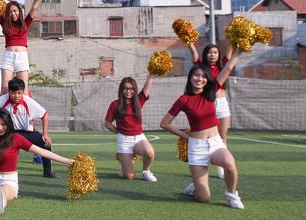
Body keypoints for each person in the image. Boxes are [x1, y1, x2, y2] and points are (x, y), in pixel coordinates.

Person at [0, 99, 75, 214]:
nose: (0, 128)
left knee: (4, 195)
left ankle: (0, 202)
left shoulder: (16, 138)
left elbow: (42, 152)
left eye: (3, 124)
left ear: (9, 124)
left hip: (9, 180)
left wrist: (68, 161)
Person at [160, 51, 245, 209]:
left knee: (229, 163)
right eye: (196, 75)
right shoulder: (183, 100)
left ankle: (231, 195)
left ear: (207, 80)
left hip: (215, 143)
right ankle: (196, 187)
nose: (200, 79)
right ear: (190, 77)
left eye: (203, 76)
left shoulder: (211, 91)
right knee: (204, 198)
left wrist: (238, 51)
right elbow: (165, 123)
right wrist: (186, 136)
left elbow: (228, 68)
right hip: (197, 148)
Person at [0, 78, 57, 179]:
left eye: (19, 93)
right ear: (9, 92)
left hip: (26, 133)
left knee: (45, 143)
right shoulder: (3, 99)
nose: (16, 96)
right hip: (8, 133)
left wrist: (45, 134)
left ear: (23, 92)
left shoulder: (29, 101)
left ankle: (48, 171)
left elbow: (44, 115)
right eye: (13, 93)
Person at [188, 41, 234, 179]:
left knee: (223, 135)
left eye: (215, 52)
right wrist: (189, 41)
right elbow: (194, 54)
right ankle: (202, 165)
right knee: (209, 135)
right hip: (208, 103)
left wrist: (232, 37)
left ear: (218, 55)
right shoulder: (202, 68)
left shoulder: (222, 66)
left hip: (222, 102)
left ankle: (222, 167)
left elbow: (230, 51)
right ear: (205, 54)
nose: (212, 55)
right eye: (209, 52)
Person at [104, 74, 157, 181]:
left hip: (139, 138)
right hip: (124, 141)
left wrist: (151, 75)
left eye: (131, 89)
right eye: (125, 88)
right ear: (121, 90)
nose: (128, 91)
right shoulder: (115, 104)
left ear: (134, 90)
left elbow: (147, 87)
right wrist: (119, 132)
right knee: (129, 176)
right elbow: (107, 123)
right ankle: (124, 166)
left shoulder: (139, 101)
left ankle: (146, 171)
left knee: (149, 152)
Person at [0, 0, 42, 95]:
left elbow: (34, 8)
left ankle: (27, 106)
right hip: (8, 57)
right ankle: (0, 107)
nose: (13, 13)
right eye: (10, 12)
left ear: (19, 11)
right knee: (4, 90)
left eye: (15, 11)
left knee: (24, 90)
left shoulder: (25, 22)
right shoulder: (5, 23)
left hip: (22, 58)